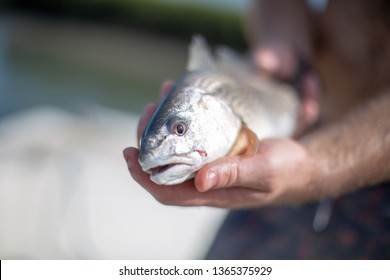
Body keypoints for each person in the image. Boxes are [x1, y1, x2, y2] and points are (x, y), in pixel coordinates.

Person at [124, 0, 390, 258]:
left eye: (179, 128)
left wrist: (313, 166)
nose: (173, 139)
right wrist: (285, 46)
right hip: (292, 151)